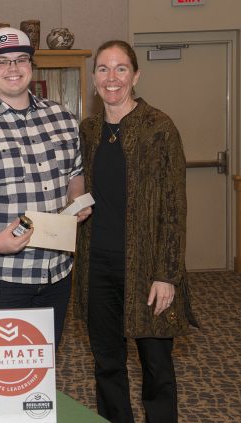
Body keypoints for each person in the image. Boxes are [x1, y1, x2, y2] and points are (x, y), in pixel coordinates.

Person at [74, 40, 198, 423]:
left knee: (156, 367)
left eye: (121, 68)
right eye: (104, 69)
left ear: (136, 75)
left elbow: (175, 207)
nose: (112, 78)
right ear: (93, 79)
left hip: (147, 270)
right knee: (107, 365)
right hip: (97, 268)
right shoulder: (88, 131)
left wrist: (167, 274)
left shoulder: (158, 128)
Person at [0, 27, 90, 346]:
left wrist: (77, 200)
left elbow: (75, 174)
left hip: (55, 270)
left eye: (20, 59)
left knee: (41, 365)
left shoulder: (63, 118)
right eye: (1, 61)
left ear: (31, 65)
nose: (13, 68)